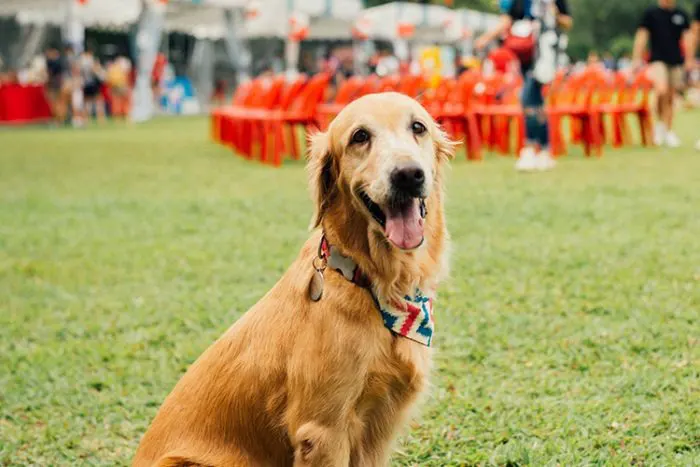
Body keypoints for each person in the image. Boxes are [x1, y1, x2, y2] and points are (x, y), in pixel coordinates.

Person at [476, 0, 573, 171]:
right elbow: (507, 20)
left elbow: (567, 22)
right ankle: (543, 150)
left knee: (528, 98)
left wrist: (553, 14)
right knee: (536, 103)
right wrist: (486, 38)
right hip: (526, 55)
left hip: (545, 54)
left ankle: (530, 147)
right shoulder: (521, 2)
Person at [633, 0, 692, 148]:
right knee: (661, 89)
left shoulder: (681, 14)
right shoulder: (651, 13)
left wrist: (689, 59)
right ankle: (659, 125)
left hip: (676, 60)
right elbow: (642, 35)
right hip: (657, 59)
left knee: (671, 96)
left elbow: (687, 37)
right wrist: (636, 58)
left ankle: (668, 130)